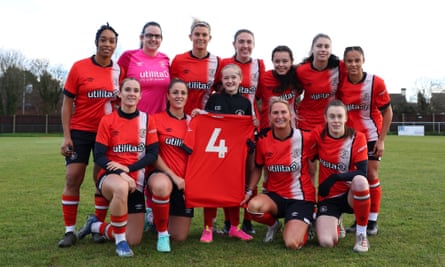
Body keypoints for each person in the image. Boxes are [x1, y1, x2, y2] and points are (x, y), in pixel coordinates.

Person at [77, 78, 159, 257]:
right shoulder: (108, 120)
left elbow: (153, 154)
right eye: (127, 89)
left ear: (140, 95)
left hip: (135, 179)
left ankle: (96, 225)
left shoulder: (147, 120)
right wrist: (121, 172)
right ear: (120, 94)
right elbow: (98, 155)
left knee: (135, 239)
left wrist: (129, 169)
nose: (131, 93)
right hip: (109, 176)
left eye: (135, 90)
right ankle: (120, 243)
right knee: (121, 187)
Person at [58, 23, 122, 248]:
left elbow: (119, 101)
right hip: (81, 131)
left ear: (116, 45)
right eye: (103, 40)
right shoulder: (79, 67)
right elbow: (67, 103)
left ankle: (97, 225)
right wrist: (67, 136)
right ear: (96, 43)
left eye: (111, 41)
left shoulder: (118, 71)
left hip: (106, 133)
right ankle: (69, 231)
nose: (107, 44)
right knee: (73, 177)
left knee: (101, 179)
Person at [241, 97, 315, 249]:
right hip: (275, 197)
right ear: (269, 117)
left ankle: (309, 220)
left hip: (300, 198)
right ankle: (274, 225)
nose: (279, 116)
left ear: (290, 115)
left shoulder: (305, 138)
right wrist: (249, 192)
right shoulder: (263, 140)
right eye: (275, 113)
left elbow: (320, 159)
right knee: (253, 207)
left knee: (292, 243)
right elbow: (258, 168)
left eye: (283, 112)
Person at [192, 64, 254, 243]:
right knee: (211, 189)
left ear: (240, 80)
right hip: (214, 153)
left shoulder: (244, 103)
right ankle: (207, 228)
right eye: (226, 78)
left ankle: (234, 227)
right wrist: (200, 114)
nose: (230, 81)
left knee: (233, 188)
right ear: (222, 81)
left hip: (234, 155)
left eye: (234, 77)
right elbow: (208, 122)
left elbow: (247, 129)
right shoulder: (214, 99)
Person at [337, 46, 393, 236]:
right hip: (348, 137)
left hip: (370, 136)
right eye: (349, 61)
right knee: (348, 177)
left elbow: (388, 112)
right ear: (344, 63)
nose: (353, 64)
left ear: (363, 61)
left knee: (370, 174)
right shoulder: (341, 82)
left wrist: (382, 140)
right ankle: (349, 218)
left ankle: (372, 222)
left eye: (357, 60)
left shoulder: (375, 82)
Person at [218, 29, 266, 235]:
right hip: (228, 130)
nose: (245, 45)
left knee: (249, 173)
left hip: (250, 126)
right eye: (241, 42)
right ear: (234, 44)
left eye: (249, 42)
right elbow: (215, 91)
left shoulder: (259, 65)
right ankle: (229, 222)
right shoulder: (225, 63)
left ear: (253, 44)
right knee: (228, 177)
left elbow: (262, 95)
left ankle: (247, 219)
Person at [312, 99, 370, 252]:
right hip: (329, 197)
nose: (336, 120)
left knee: (361, 182)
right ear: (325, 118)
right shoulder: (318, 135)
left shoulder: (357, 138)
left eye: (339, 116)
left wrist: (335, 178)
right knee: (326, 242)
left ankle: (361, 235)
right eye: (332, 116)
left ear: (346, 118)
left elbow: (362, 172)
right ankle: (336, 221)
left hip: (350, 195)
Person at [145, 78, 194, 253]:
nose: (179, 96)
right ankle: (162, 233)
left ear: (187, 97)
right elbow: (153, 154)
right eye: (175, 92)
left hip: (184, 183)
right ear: (168, 96)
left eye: (183, 93)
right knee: (161, 186)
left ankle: (154, 219)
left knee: (180, 236)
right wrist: (173, 177)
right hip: (162, 174)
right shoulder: (155, 119)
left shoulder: (193, 122)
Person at [117, 21, 170, 115]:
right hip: (132, 119)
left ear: (161, 39)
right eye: (149, 35)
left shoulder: (165, 59)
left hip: (159, 120)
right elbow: (115, 86)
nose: (153, 39)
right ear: (142, 37)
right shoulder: (128, 56)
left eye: (157, 36)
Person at [170, 19, 221, 115]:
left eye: (204, 35)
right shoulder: (179, 60)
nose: (201, 38)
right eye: (197, 34)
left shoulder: (217, 62)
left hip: (204, 116)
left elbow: (220, 91)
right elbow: (170, 91)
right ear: (190, 37)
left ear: (209, 38)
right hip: (181, 116)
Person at [295, 33, 345, 132]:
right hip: (306, 122)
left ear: (331, 50)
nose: (323, 49)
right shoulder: (301, 70)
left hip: (330, 121)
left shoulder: (340, 67)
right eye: (319, 46)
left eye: (327, 46)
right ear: (312, 49)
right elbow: (293, 93)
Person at [256, 45, 302, 131]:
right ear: (272, 61)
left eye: (285, 61)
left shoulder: (297, 77)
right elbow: (253, 98)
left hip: (290, 128)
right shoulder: (264, 78)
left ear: (291, 61)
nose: (281, 65)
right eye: (277, 61)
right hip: (267, 128)